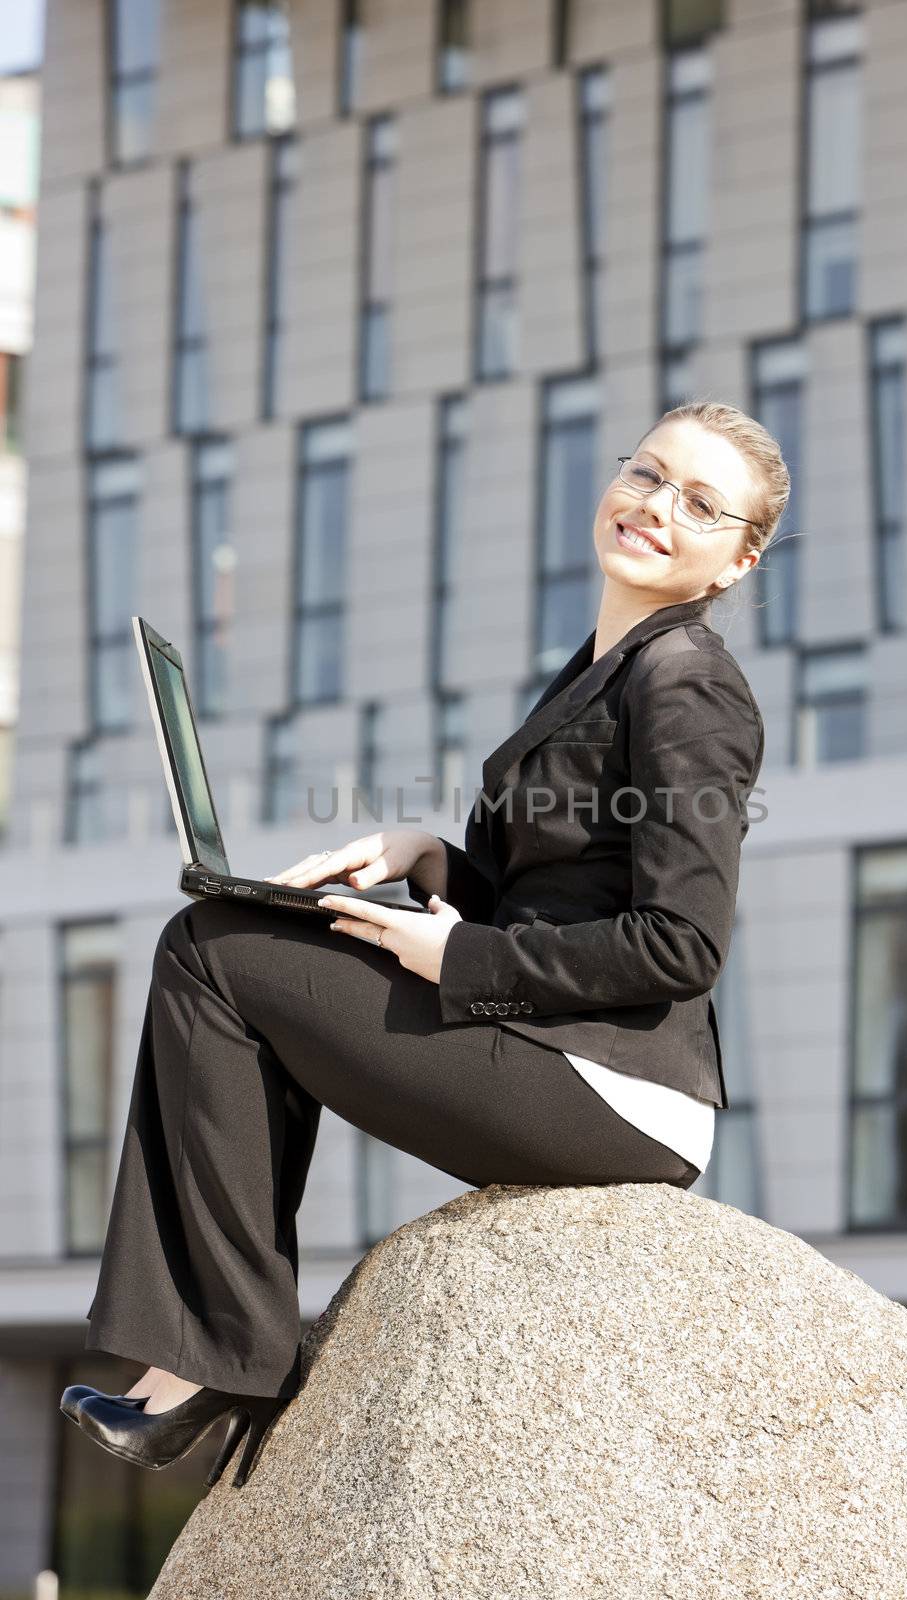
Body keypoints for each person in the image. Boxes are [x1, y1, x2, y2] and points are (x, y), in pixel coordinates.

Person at [61, 399, 788, 1489]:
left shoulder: (685, 678)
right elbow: (566, 890)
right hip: (562, 1052)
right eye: (645, 474)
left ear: (737, 557)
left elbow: (679, 943)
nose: (653, 507)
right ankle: (213, 1349)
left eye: (697, 502)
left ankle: (209, 1357)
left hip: (610, 1085)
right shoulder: (605, 662)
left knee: (212, 951)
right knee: (230, 940)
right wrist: (434, 859)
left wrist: (460, 960)